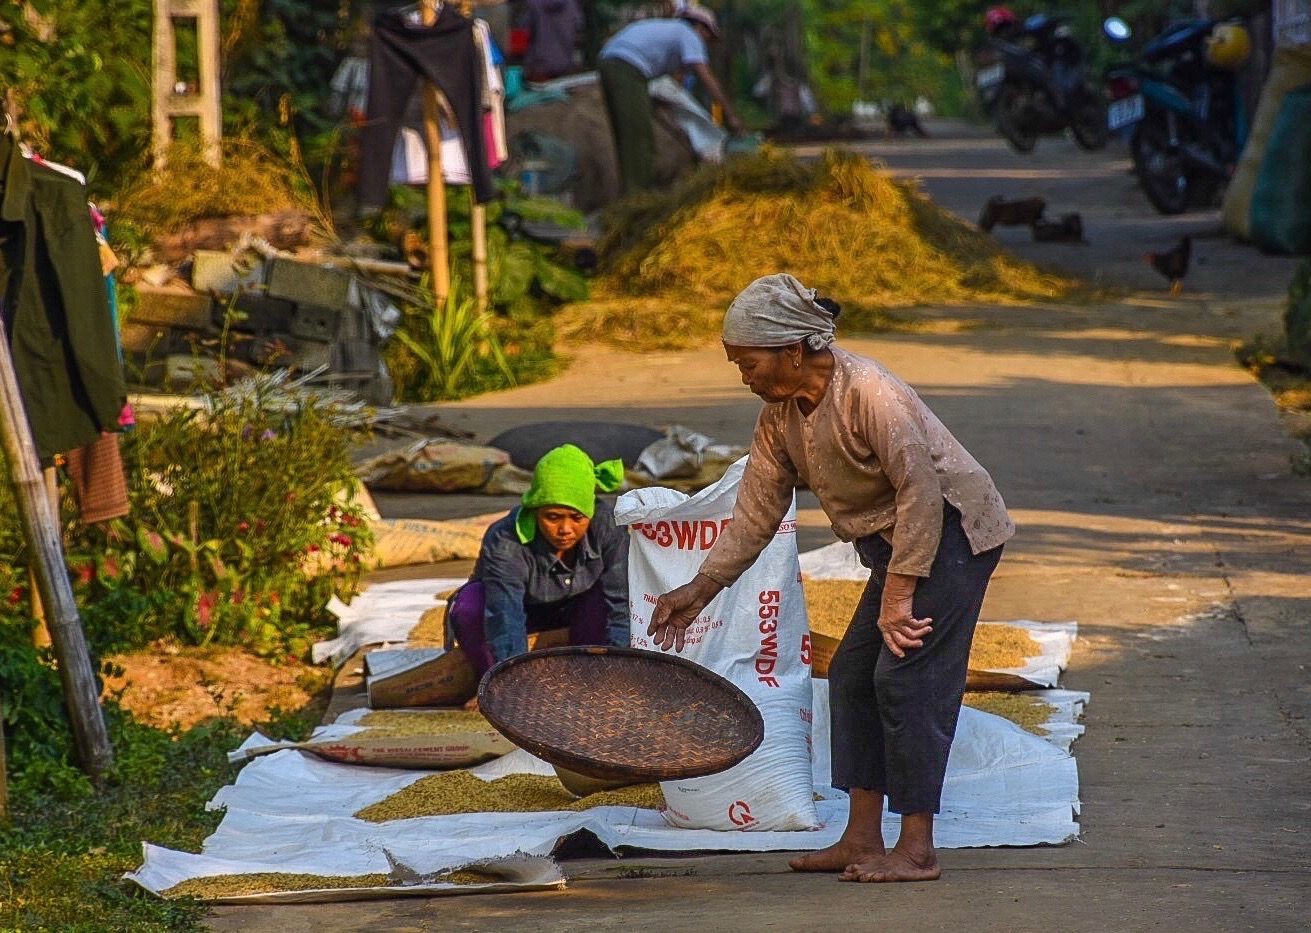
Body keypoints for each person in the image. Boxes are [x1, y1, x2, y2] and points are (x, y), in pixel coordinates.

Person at [647, 273, 1014, 883]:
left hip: (953, 534)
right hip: (896, 545)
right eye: (736, 363)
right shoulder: (779, 416)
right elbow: (757, 509)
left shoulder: (867, 390)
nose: (744, 375)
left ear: (793, 350)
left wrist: (898, 594)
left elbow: (921, 493)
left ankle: (917, 848)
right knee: (850, 676)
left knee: (907, 678)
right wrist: (700, 588)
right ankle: (862, 839)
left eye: (749, 362)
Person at [448, 444, 631, 688]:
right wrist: (517, 685)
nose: (565, 530)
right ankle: (492, 682)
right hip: (519, 613)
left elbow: (623, 604)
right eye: (552, 517)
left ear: (590, 512)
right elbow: (504, 615)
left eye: (577, 518)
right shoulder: (505, 539)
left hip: (578, 614)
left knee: (610, 599)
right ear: (535, 511)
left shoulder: (608, 526)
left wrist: (617, 674)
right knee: (470, 604)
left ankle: (590, 677)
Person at [598, 5, 745, 195]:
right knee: (639, 138)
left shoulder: (671, 33)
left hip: (612, 61)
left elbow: (673, 82)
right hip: (625, 66)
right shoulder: (688, 34)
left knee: (628, 135)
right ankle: (637, 198)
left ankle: (631, 192)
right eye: (710, 37)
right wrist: (731, 115)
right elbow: (706, 77)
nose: (708, 44)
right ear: (701, 27)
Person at [522, 0, 583, 82]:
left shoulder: (533, 4)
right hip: (565, 64)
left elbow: (524, 30)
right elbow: (578, 26)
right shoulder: (571, 3)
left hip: (539, 67)